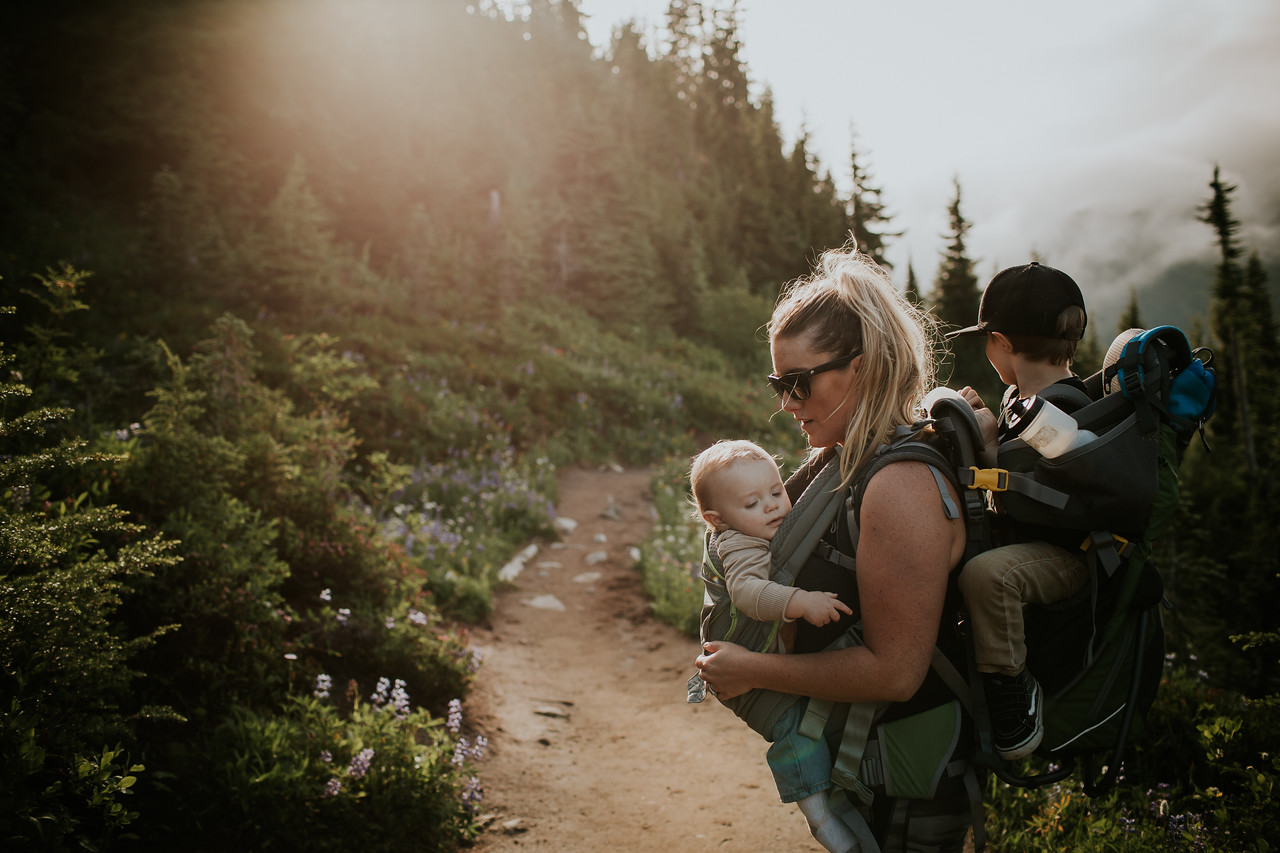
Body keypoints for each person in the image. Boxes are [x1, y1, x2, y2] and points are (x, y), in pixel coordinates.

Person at [695, 246, 973, 852]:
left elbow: (897, 672)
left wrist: (753, 670)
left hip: (907, 776)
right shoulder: (841, 461)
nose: (786, 403)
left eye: (799, 383)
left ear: (864, 366)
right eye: (778, 383)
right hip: (867, 763)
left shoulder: (897, 486)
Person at [946, 262, 1093, 762]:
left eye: (987, 341)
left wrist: (988, 440)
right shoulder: (1028, 401)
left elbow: (1036, 493)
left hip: (1070, 556)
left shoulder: (1065, 409)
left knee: (989, 576)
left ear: (1003, 343)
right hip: (1039, 545)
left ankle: (1013, 688)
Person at [689, 439, 857, 852]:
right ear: (717, 519)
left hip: (758, 655)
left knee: (813, 721)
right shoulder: (736, 543)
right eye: (752, 503)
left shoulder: (749, 526)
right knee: (795, 733)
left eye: (777, 492)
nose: (771, 506)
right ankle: (819, 817)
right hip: (745, 671)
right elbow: (747, 592)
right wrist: (800, 602)